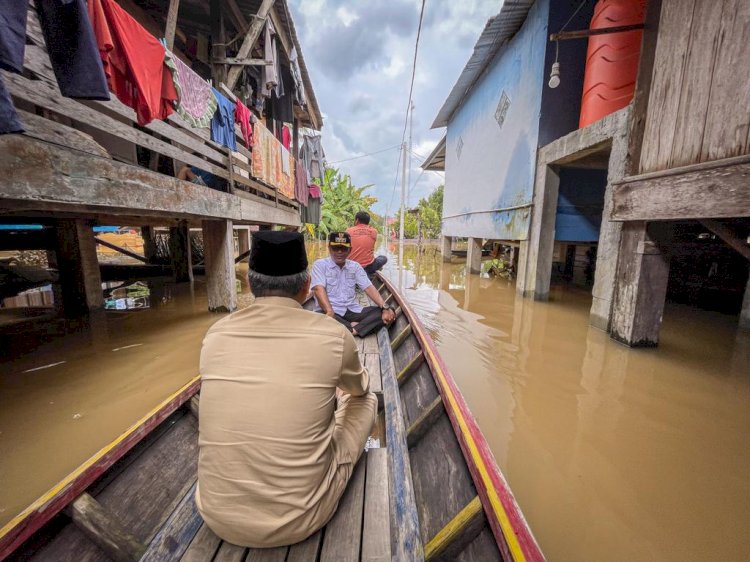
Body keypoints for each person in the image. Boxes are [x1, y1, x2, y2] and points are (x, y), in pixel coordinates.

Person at [196, 231, 377, 548]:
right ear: (306, 285)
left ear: (251, 285)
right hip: (298, 520)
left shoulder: (215, 334)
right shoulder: (333, 336)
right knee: (366, 399)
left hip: (214, 514)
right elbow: (360, 389)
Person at [312, 232, 396, 337]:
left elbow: (368, 287)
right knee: (319, 316)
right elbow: (318, 289)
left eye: (343, 249)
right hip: (329, 311)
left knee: (390, 312)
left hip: (352, 310)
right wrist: (330, 312)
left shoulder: (355, 267)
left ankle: (352, 330)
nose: (339, 252)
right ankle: (358, 327)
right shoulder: (320, 265)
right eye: (335, 248)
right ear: (329, 248)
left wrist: (384, 307)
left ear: (350, 250)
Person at [346, 211, 388, 278]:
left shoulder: (348, 231)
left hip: (351, 266)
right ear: (368, 221)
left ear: (357, 220)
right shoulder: (374, 231)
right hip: (368, 267)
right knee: (383, 258)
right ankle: (372, 273)